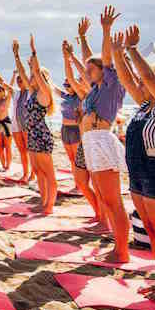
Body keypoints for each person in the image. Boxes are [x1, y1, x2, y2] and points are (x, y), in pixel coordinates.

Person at [113, 26, 155, 302]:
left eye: (147, 83)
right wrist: (117, 53)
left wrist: (133, 50)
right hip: (139, 175)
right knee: (152, 232)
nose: (140, 85)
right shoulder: (145, 106)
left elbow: (147, 76)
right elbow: (128, 79)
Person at [77, 7, 130, 263]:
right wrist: (84, 40)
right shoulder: (96, 88)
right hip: (90, 142)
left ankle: (122, 251)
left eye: (91, 69)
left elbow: (105, 61)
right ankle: (115, 243)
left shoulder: (111, 85)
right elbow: (92, 61)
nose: (87, 72)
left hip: (101, 141)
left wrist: (106, 30)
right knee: (104, 198)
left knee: (113, 200)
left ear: (102, 70)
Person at [14, 36, 57, 214]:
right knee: (38, 171)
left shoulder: (44, 93)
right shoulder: (32, 92)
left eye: (34, 76)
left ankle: (49, 206)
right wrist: (16, 56)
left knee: (48, 173)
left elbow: (37, 73)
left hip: (41, 134)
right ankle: (43, 201)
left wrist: (33, 52)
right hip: (32, 133)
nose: (30, 78)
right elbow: (22, 74)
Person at [60, 40, 101, 221]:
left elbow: (85, 73)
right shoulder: (85, 96)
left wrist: (74, 56)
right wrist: (67, 58)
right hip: (85, 141)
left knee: (98, 183)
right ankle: (98, 212)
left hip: (97, 142)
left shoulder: (102, 94)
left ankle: (102, 217)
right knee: (81, 182)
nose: (85, 78)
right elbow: (71, 77)